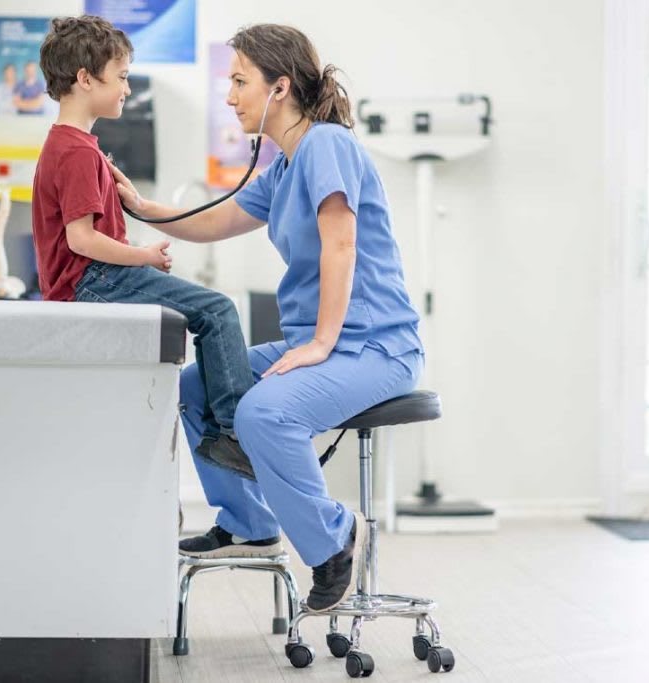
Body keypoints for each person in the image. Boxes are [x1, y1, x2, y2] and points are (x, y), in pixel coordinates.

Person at [109, 24, 425, 612]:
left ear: (279, 88)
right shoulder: (282, 168)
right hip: (326, 344)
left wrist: (319, 342)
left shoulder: (328, 145)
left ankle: (334, 538)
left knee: (264, 412)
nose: (229, 96)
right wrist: (140, 206)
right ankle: (249, 521)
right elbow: (215, 219)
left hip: (376, 348)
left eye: (238, 81)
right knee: (193, 385)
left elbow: (341, 245)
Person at [31, 15, 259, 480]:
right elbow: (82, 240)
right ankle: (234, 434)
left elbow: (87, 233)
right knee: (217, 311)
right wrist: (145, 256)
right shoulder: (75, 152)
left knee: (212, 311)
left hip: (92, 279)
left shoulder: (76, 147)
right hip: (91, 282)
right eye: (121, 77)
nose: (128, 90)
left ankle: (224, 431)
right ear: (85, 78)